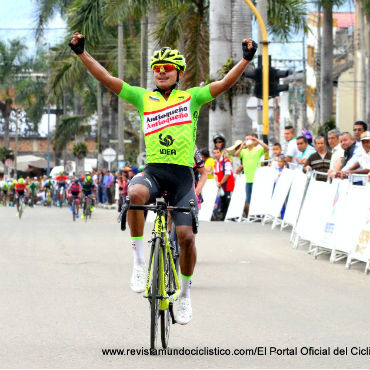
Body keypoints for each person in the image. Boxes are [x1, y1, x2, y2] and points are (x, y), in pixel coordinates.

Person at [69, 31, 257, 324]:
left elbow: (222, 85)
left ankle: (185, 295)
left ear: (178, 73)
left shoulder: (191, 98)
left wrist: (245, 60)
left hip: (182, 178)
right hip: (154, 172)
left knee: (186, 237)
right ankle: (139, 261)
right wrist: (82, 53)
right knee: (133, 197)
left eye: (168, 68)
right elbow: (106, 77)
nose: (162, 72)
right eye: (157, 69)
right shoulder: (143, 98)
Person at [234, 135, 269, 217]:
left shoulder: (258, 150)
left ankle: (259, 214)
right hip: (248, 179)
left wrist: (258, 141)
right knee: (249, 198)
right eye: (246, 139)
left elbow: (267, 148)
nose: (248, 141)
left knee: (257, 197)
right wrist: (242, 146)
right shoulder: (243, 151)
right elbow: (236, 154)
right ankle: (252, 215)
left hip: (257, 179)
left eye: (250, 139)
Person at [213, 147, 235, 220]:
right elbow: (215, 174)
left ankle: (230, 216)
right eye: (214, 153)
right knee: (222, 200)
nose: (216, 154)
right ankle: (223, 216)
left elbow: (227, 174)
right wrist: (217, 182)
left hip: (228, 185)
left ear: (221, 152)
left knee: (228, 200)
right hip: (221, 185)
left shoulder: (226, 161)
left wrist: (220, 182)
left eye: (217, 152)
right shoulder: (215, 162)